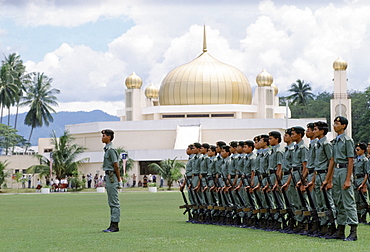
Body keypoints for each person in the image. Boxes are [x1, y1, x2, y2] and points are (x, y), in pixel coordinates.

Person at [325, 116, 358, 241]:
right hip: (337, 172)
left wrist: (348, 179)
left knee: (348, 201)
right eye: (334, 123)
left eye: (337, 123)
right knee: (338, 201)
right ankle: (340, 229)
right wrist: (329, 179)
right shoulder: (335, 141)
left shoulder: (348, 140)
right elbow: (332, 161)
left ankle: (353, 230)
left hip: (344, 170)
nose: (334, 125)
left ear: (344, 126)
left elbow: (350, 160)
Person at [101, 129, 123, 233]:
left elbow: (116, 165)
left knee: (114, 201)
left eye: (104, 135)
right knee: (111, 201)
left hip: (112, 177)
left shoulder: (111, 150)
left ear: (109, 137)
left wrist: (119, 179)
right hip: (109, 176)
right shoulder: (107, 149)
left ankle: (115, 225)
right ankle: (112, 224)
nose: (102, 137)